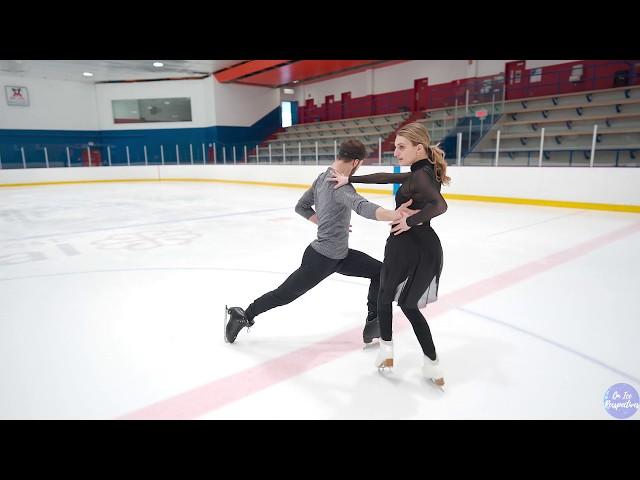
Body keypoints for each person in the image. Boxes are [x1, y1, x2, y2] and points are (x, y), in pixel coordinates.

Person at [225, 139, 416, 346]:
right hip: (322, 258)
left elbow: (302, 207)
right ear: (355, 163)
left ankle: (373, 321)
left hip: (339, 256)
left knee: (380, 271)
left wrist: (324, 222)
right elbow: (362, 206)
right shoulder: (340, 186)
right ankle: (243, 314)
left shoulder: (321, 178)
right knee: (285, 294)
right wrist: (393, 215)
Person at [328, 123, 449, 389]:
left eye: (401, 147)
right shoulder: (422, 171)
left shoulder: (420, 176)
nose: (395, 152)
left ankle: (387, 351)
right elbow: (387, 177)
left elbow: (440, 205)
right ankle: (433, 364)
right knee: (408, 306)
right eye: (395, 146)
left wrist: (410, 221)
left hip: (405, 244)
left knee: (385, 296)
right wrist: (352, 180)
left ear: (419, 148)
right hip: (427, 247)